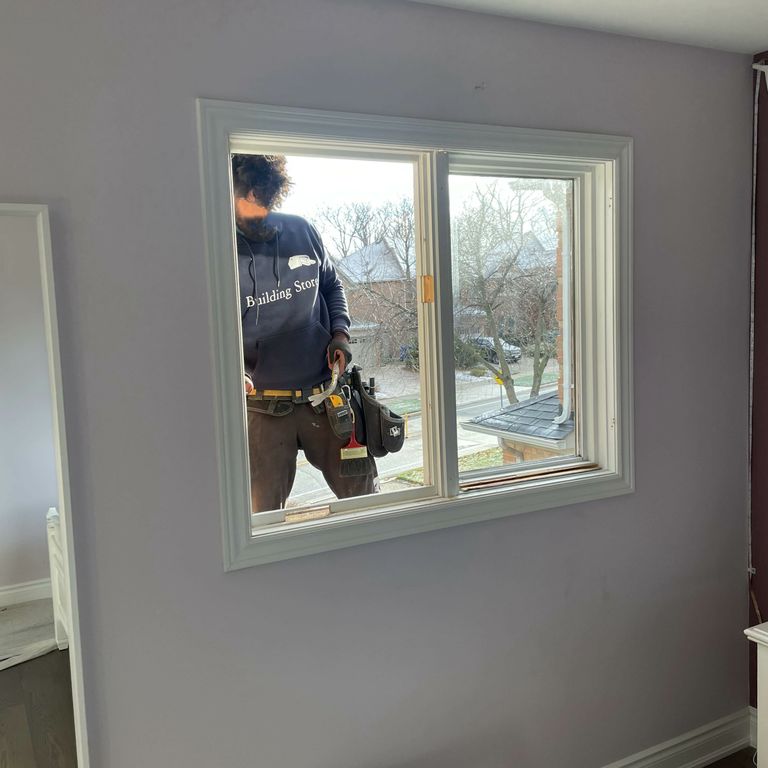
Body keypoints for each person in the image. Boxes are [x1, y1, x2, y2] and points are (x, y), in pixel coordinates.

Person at [231, 154, 378, 512]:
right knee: (262, 516)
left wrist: (340, 334)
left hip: (325, 396)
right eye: (248, 200)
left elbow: (332, 285)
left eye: (264, 202)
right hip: (263, 406)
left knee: (365, 499)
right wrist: (232, 371)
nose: (258, 211)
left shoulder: (301, 230)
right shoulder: (219, 250)